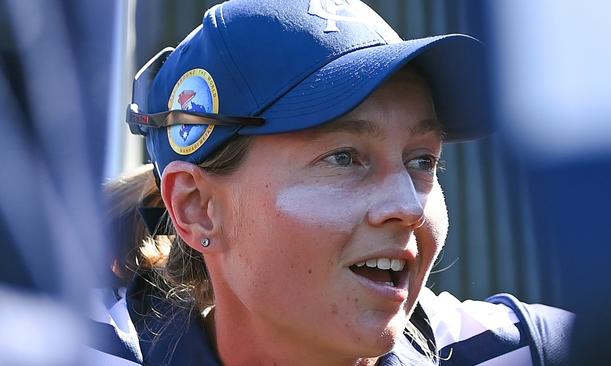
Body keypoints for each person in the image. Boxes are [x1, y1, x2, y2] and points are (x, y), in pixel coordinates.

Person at [91, 0, 574, 365]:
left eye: (422, 160)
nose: (407, 205)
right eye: (344, 158)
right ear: (197, 208)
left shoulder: (526, 352)